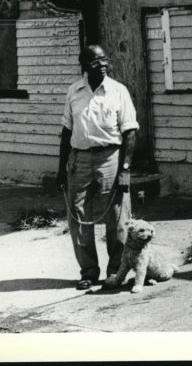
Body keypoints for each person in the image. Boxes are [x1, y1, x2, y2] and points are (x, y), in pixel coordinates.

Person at [56, 43, 139, 289]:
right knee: (78, 216)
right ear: (84, 65)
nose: (102, 65)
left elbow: (130, 132)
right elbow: (66, 130)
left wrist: (125, 169)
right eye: (95, 61)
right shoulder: (74, 91)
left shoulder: (118, 90)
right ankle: (89, 272)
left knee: (117, 215)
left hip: (110, 158)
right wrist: (61, 169)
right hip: (79, 158)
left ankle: (116, 270)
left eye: (104, 60)